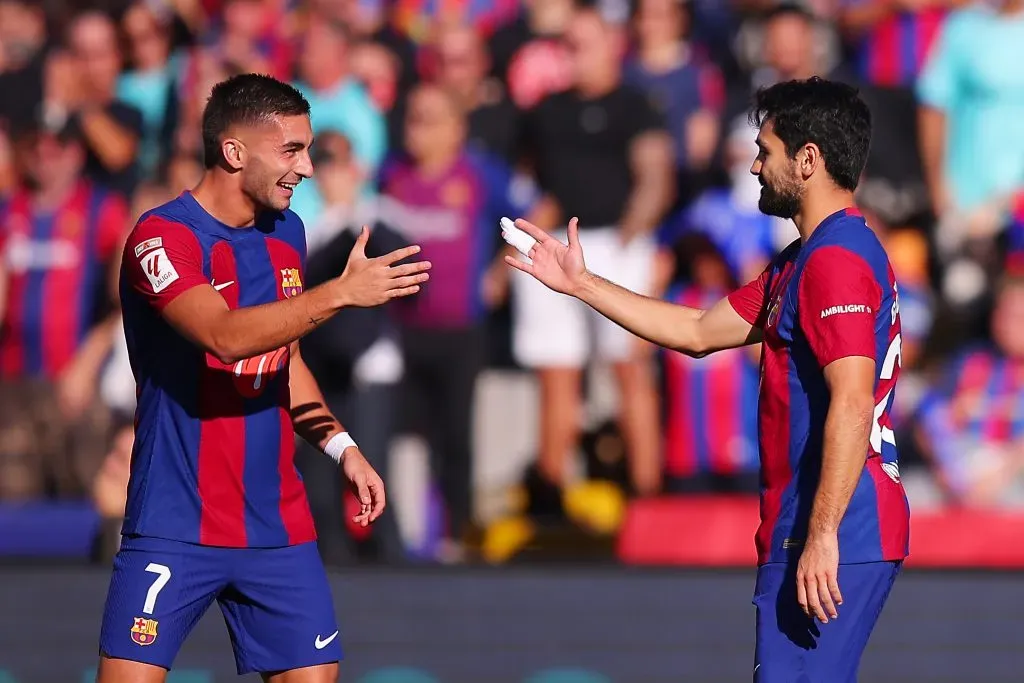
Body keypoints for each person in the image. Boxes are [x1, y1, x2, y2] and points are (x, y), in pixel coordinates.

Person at [505, 77, 910, 681]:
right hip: (814, 523)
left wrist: (822, 535)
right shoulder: (805, 258)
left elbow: (851, 403)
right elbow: (698, 331)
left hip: (837, 527)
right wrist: (583, 285)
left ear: (808, 160)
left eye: (766, 151)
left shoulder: (835, 260)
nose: (753, 166)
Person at [95, 73, 431, 683]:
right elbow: (224, 337)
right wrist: (340, 294)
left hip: (275, 525)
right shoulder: (162, 237)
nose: (306, 167)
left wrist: (343, 449)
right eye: (291, 150)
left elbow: (287, 359)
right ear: (233, 152)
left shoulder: (288, 235)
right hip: (176, 519)